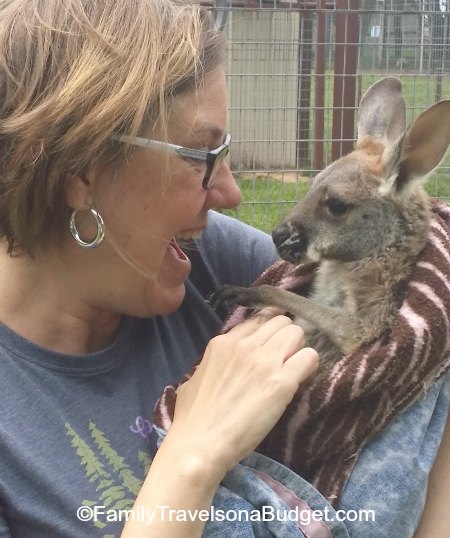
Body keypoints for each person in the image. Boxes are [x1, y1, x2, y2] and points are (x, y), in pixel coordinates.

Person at [0, 1, 448, 537]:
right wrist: (193, 456)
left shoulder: (205, 260)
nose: (233, 193)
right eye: (200, 155)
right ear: (80, 171)